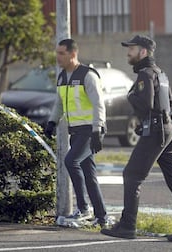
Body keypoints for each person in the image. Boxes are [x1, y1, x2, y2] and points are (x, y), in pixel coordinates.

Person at [100, 35, 172, 243]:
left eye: (131, 49)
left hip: (156, 130)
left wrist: (130, 96)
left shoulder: (145, 74)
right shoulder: (160, 73)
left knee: (132, 175)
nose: (128, 53)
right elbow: (168, 102)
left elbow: (146, 104)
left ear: (143, 52)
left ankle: (127, 226)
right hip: (169, 129)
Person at [44, 38, 112, 227]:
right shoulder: (61, 77)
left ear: (73, 54)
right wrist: (52, 122)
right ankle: (102, 216)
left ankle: (83, 209)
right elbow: (59, 103)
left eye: (61, 53)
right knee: (89, 174)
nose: (57, 57)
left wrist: (98, 130)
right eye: (56, 53)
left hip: (90, 130)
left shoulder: (87, 75)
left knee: (70, 161)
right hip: (76, 131)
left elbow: (99, 104)